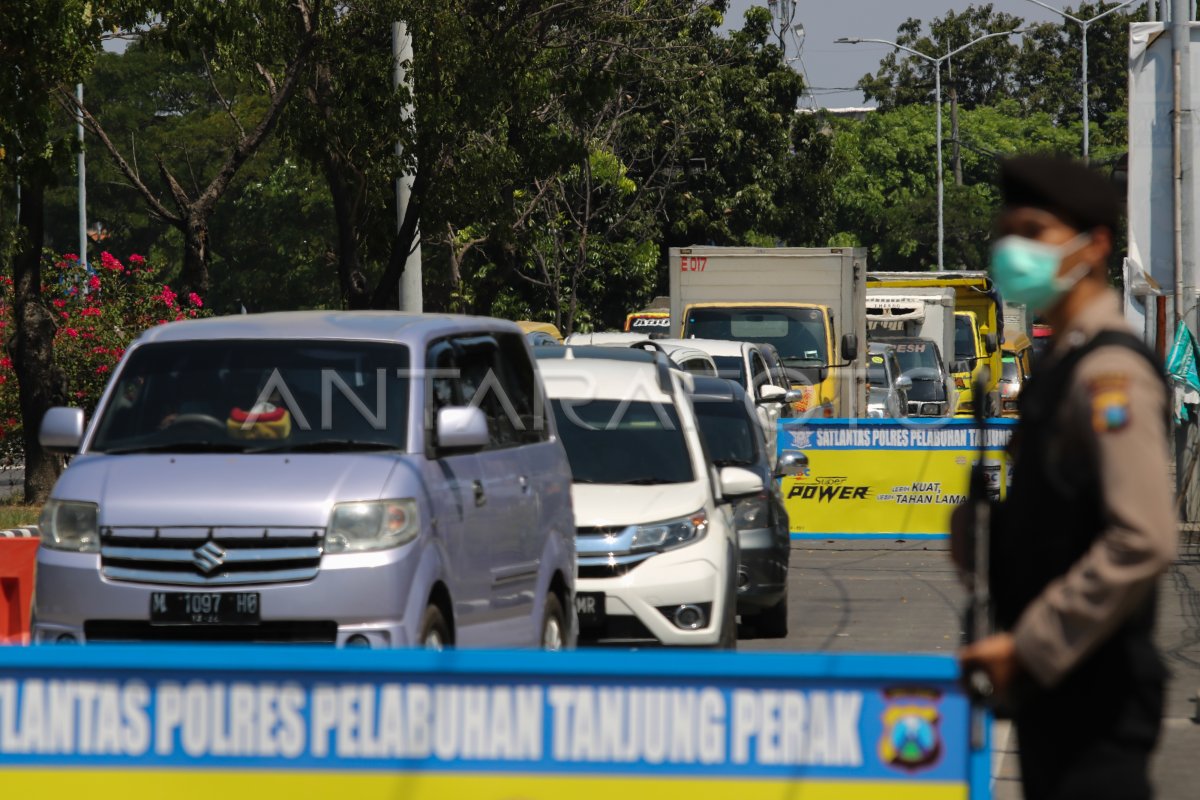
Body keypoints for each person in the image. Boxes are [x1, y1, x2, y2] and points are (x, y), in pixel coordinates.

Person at [953, 155, 1177, 799]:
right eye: (1006, 233)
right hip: (1056, 693)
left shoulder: (1110, 375)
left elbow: (1143, 538)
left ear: (1095, 245)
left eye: (1032, 231)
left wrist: (1029, 647)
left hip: (1096, 694)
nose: (1012, 250)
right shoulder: (1062, 364)